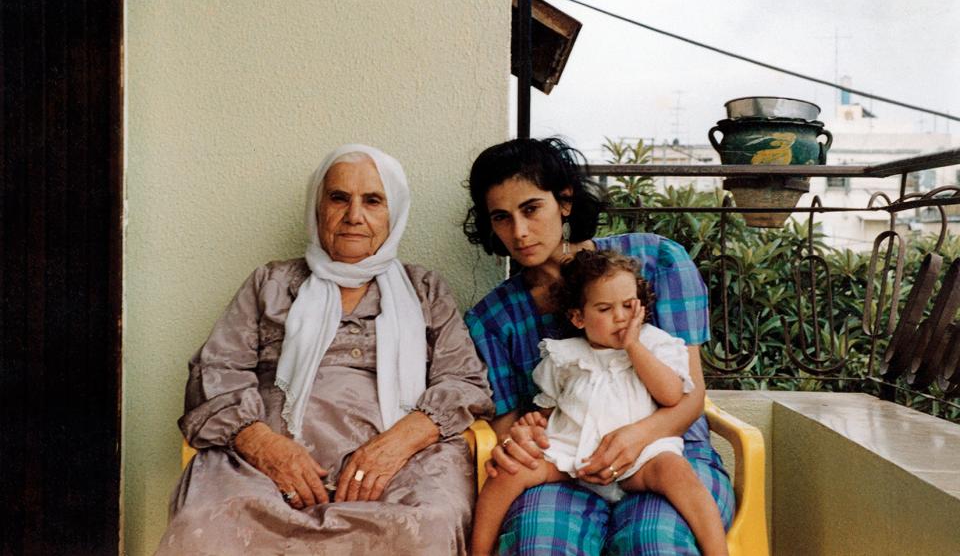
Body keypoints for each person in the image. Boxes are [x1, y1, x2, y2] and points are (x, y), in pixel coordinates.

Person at [156, 144, 494, 555]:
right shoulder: (272, 283)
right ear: (318, 209)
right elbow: (216, 369)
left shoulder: (425, 291)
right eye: (338, 198)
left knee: (428, 522)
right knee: (206, 520)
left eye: (372, 200)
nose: (354, 215)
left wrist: (394, 447)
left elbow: (464, 382)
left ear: (395, 213)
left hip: (399, 466)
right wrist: (264, 446)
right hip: (265, 467)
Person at [462, 137, 735, 555]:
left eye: (531, 209)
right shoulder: (492, 319)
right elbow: (510, 423)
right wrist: (522, 433)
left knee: (655, 540)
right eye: (501, 217)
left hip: (669, 447)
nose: (518, 232)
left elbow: (689, 395)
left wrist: (638, 436)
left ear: (565, 201)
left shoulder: (657, 262)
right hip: (568, 457)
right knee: (538, 542)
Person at [471, 250, 728, 556]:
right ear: (578, 317)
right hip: (571, 454)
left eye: (628, 306)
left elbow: (672, 395)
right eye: (605, 309)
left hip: (642, 458)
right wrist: (532, 424)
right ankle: (478, 550)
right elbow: (549, 406)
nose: (620, 317)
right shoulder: (563, 355)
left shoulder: (654, 343)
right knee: (507, 474)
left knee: (681, 477)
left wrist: (633, 346)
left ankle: (718, 552)